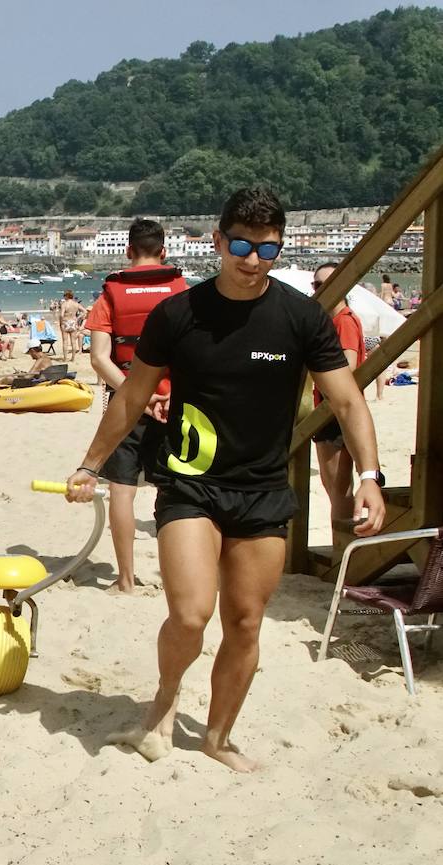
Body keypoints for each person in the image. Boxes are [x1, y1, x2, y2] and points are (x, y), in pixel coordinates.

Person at [64, 188, 385, 772]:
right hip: (190, 486)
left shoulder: (299, 316)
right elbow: (132, 396)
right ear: (218, 242)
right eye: (240, 245)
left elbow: (346, 398)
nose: (252, 259)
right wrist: (90, 464)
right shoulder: (179, 315)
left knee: (245, 623)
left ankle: (217, 736)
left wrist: (368, 474)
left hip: (262, 492)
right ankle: (164, 700)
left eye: (267, 248)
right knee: (190, 614)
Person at [84, 219, 189, 594]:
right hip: (172, 403)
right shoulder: (181, 291)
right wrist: (166, 395)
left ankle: (125, 580)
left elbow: (100, 359)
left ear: (128, 251)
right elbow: (194, 353)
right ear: (164, 251)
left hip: (126, 406)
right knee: (171, 492)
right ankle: (175, 577)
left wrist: (135, 397)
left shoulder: (109, 295)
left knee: (122, 491)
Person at [310, 262, 366, 522]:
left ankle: (341, 543)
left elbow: (348, 366)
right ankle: (341, 540)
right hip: (330, 408)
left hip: (334, 411)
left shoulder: (343, 321)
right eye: (317, 285)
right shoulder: (336, 319)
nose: (322, 290)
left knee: (337, 487)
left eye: (327, 284)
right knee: (333, 485)